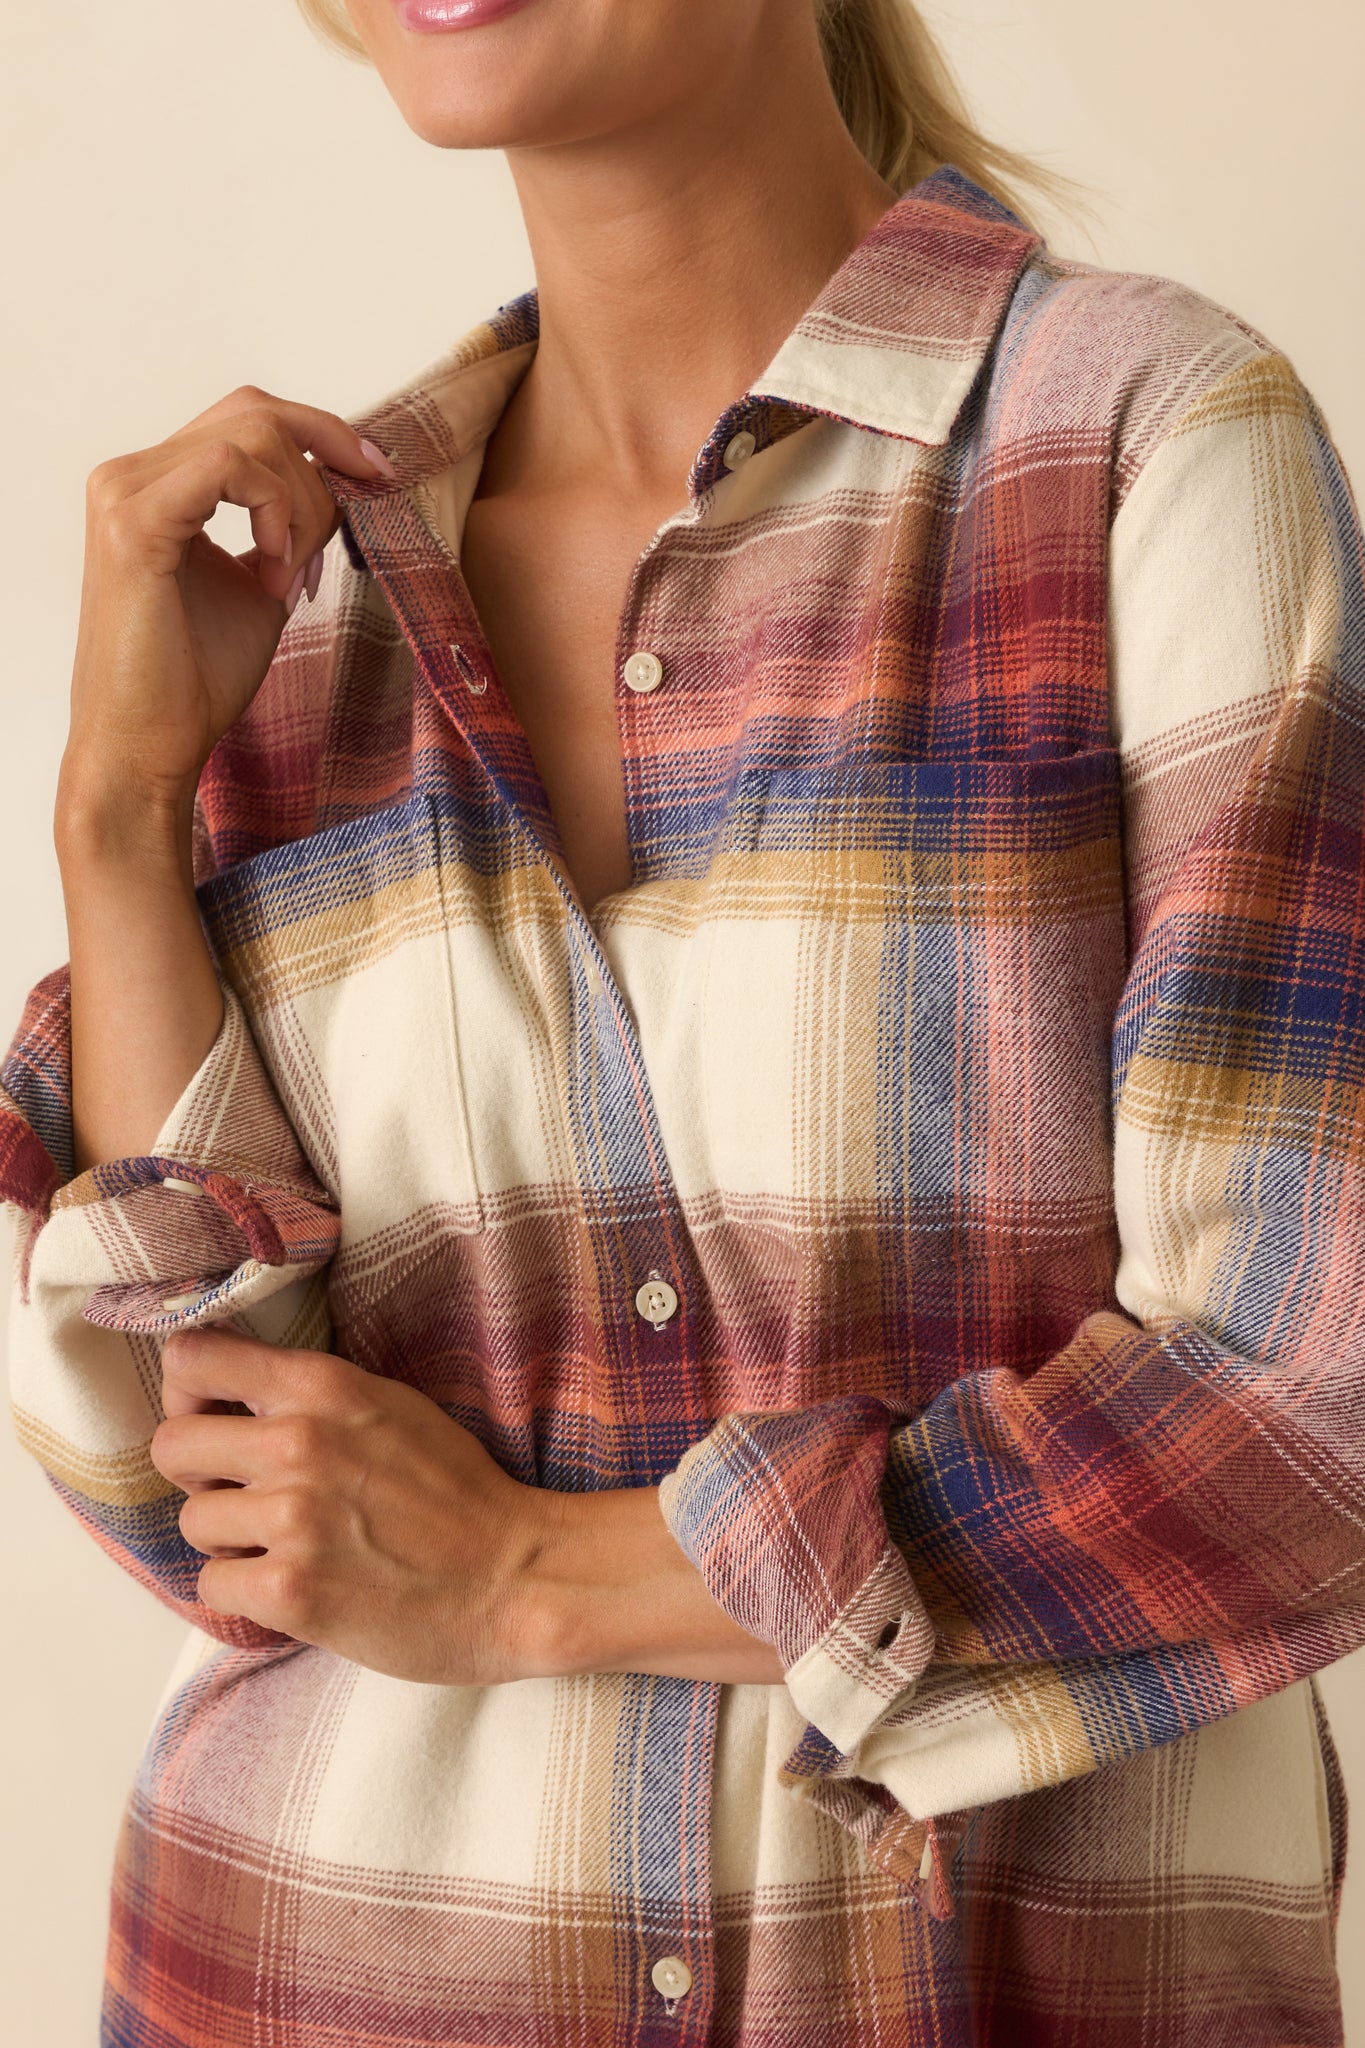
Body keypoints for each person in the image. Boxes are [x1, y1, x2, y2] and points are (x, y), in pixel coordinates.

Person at [3, 0, 1362, 2041]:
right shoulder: (285, 597)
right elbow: (206, 1490)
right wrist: (114, 822)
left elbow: (1303, 1398)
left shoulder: (1140, 445)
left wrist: (528, 1576)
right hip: (315, 1969)